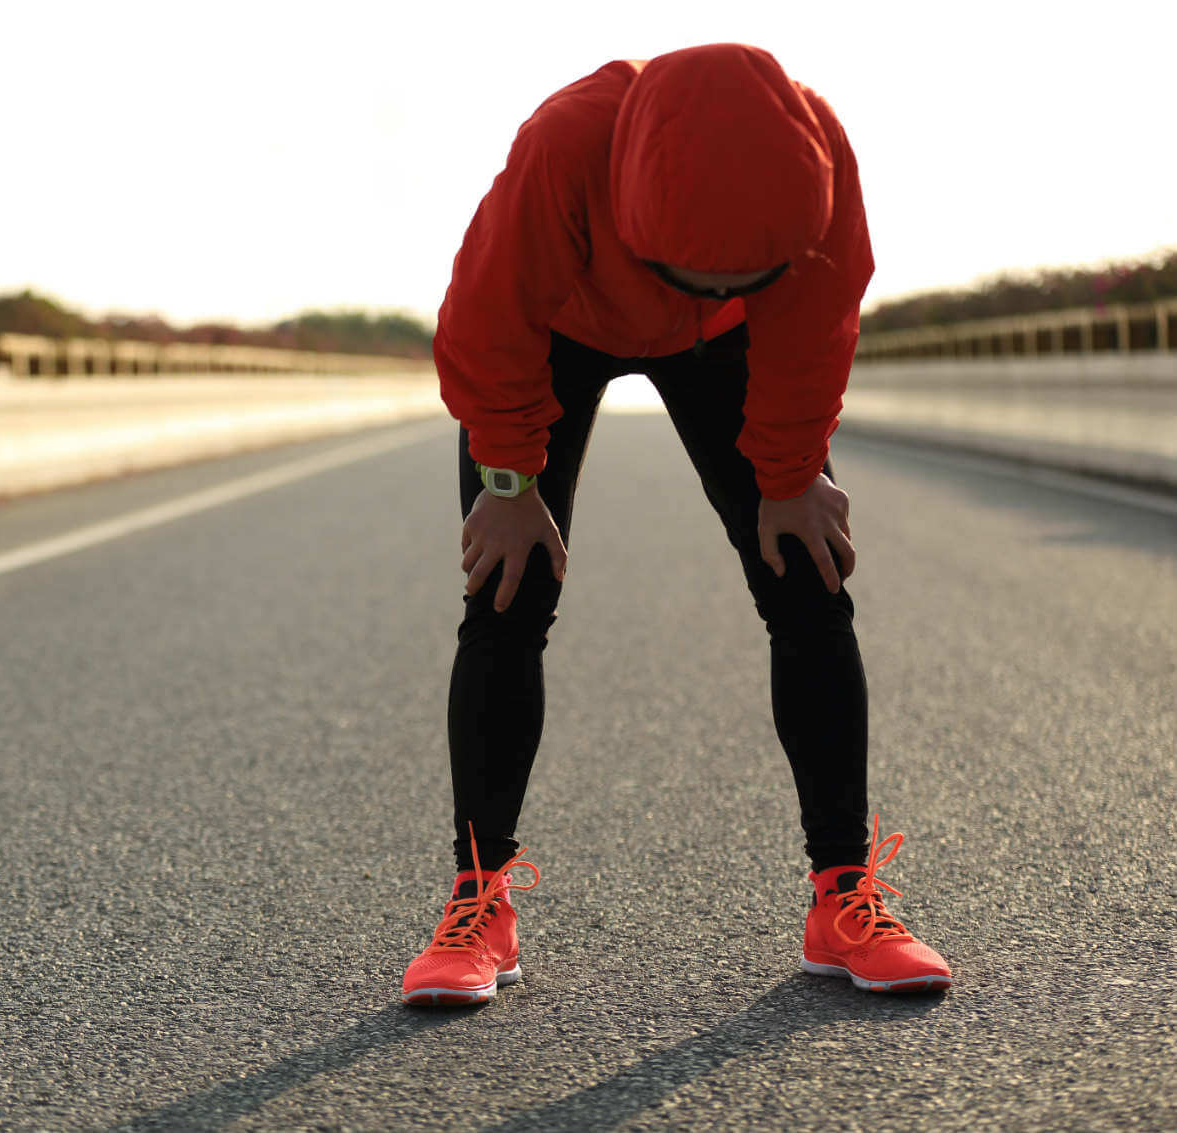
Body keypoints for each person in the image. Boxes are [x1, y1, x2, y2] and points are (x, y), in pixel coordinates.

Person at [402, 42, 951, 1006]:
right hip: (561, 330)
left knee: (809, 579)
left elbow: (818, 322)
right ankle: (478, 903)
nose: (698, 289)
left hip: (727, 347)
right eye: (691, 276)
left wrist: (788, 475)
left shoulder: (814, 159)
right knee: (506, 593)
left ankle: (844, 895)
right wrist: (507, 479)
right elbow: (487, 322)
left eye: (735, 273)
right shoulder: (565, 146)